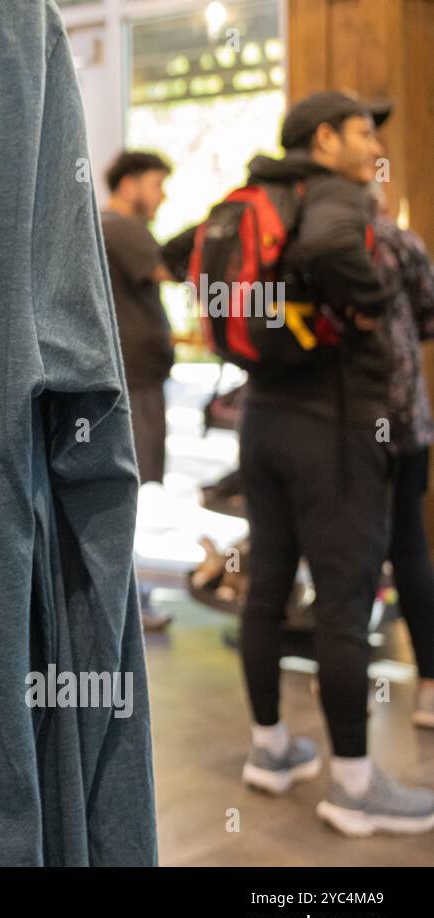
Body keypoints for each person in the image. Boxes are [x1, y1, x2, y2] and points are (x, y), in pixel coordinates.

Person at [236, 91, 434, 836]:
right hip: (335, 425)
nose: (369, 142)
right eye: (360, 129)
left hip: (264, 418)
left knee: (267, 589)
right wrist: (377, 303)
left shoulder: (258, 192)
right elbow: (326, 251)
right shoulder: (335, 197)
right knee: (345, 606)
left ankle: (270, 750)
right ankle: (354, 785)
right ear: (324, 138)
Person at [101, 151, 177, 632]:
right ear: (129, 184)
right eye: (156, 184)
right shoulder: (120, 227)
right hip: (135, 384)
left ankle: (128, 597)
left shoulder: (109, 226)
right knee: (126, 491)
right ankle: (126, 601)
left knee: (129, 490)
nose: (162, 195)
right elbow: (173, 272)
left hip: (136, 379)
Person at [371, 184, 434, 729]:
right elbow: (429, 319)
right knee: (410, 548)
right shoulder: (402, 243)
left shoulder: (313, 243)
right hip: (407, 423)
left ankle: (339, 669)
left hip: (349, 429)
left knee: (346, 551)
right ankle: (430, 688)